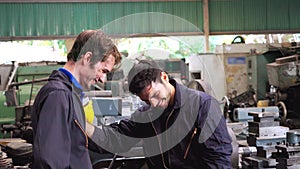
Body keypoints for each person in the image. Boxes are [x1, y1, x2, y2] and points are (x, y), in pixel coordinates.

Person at [86, 59, 233, 168]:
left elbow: (218, 160)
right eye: (147, 101)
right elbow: (116, 138)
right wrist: (84, 130)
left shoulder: (203, 106)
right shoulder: (146, 115)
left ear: (164, 77)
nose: (154, 104)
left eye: (156, 95)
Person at [30, 29, 122, 169]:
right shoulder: (59, 95)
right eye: (103, 71)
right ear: (87, 58)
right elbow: (51, 162)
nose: (102, 79)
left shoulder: (70, 94)